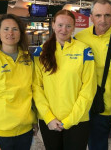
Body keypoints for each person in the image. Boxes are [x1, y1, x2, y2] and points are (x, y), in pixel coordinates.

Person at [32, 9, 96, 150]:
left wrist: (70, 120)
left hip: (78, 120)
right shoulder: (41, 52)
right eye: (60, 25)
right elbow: (36, 87)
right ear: (53, 25)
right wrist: (49, 118)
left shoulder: (85, 51)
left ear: (73, 28)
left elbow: (88, 88)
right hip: (49, 121)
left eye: (68, 26)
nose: (63, 29)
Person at [74, 0, 111, 150]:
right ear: (91, 17)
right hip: (95, 108)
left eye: (107, 15)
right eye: (98, 15)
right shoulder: (80, 38)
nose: (103, 20)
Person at [0, 14, 37, 150]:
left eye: (15, 29)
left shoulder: (28, 59)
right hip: (1, 132)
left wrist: (34, 120)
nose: (10, 33)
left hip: (25, 130)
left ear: (21, 33)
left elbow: (32, 92)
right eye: (6, 29)